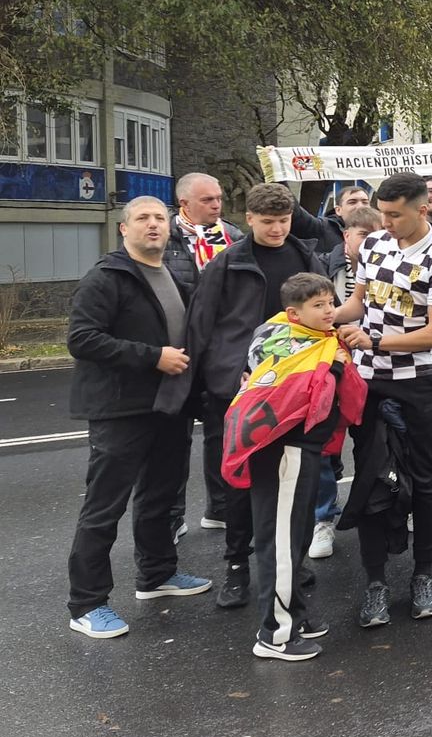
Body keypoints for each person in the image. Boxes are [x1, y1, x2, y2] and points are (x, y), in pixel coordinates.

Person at [163, 182, 328, 613]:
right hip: (237, 389)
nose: (277, 229)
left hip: (294, 388)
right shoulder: (228, 262)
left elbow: (324, 315)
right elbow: (202, 325)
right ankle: (237, 566)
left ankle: (291, 561)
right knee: (239, 483)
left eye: (284, 221)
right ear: (249, 219)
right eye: (268, 222)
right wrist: (207, 384)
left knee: (293, 482)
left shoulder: (305, 257)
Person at [66, 197, 212, 638]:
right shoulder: (107, 277)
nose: (153, 225)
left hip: (168, 406)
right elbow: (82, 339)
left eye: (160, 219)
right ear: (123, 229)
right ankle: (87, 604)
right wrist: (153, 357)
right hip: (120, 410)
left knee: (159, 496)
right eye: (143, 218)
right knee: (104, 506)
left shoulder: (171, 275)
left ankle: (157, 575)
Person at [330, 171, 432, 627]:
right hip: (369, 380)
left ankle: (423, 576)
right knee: (369, 477)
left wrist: (376, 342)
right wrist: (318, 318)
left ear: (422, 211)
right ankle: (375, 583)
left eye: (394, 215)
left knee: (423, 480)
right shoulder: (373, 245)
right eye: (381, 213)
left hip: (420, 382)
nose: (384, 223)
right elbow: (357, 305)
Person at [228, 273, 364, 661]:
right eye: (318, 306)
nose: (329, 311)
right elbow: (300, 393)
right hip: (283, 449)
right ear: (293, 313)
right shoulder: (290, 342)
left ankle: (295, 616)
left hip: (303, 450)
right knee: (281, 543)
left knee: (298, 534)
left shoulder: (311, 339)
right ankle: (275, 634)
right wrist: (336, 366)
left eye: (331, 303)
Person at [166, 171, 242, 536]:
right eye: (207, 200)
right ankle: (171, 518)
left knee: (220, 433)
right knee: (172, 438)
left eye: (219, 198)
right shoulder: (164, 237)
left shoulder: (233, 237)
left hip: (218, 352)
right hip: (177, 350)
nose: (216, 205)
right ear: (184, 204)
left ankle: (220, 508)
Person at [307, 204, 385, 561]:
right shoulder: (321, 267)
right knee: (324, 450)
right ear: (346, 236)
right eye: (363, 235)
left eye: (377, 235)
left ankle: (381, 506)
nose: (370, 242)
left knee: (376, 447)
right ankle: (323, 518)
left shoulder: (388, 266)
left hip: (374, 368)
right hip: (330, 369)